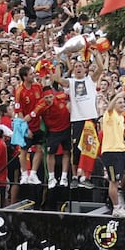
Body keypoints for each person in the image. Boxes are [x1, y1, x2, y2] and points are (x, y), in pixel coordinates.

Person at [53, 56, 103, 189]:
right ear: (73, 70)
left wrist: (96, 53)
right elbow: (57, 79)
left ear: (85, 69)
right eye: (76, 66)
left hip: (90, 119)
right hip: (77, 120)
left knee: (89, 149)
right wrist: (58, 62)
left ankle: (86, 177)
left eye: (80, 66)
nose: (78, 68)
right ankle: (75, 176)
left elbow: (101, 68)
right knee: (76, 150)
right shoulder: (71, 82)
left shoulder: (90, 80)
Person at [101, 91, 125, 218]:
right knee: (113, 182)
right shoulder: (109, 115)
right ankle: (116, 208)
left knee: (119, 179)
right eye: (119, 102)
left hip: (120, 151)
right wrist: (118, 94)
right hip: (111, 152)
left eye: (123, 102)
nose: (122, 104)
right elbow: (109, 107)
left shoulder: (121, 117)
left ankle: (118, 206)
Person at [33, 86, 71, 188]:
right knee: (50, 154)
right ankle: (51, 177)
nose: (49, 100)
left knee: (67, 152)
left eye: (50, 97)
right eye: (46, 98)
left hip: (66, 128)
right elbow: (33, 115)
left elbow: (72, 96)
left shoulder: (61, 96)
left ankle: (64, 177)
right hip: (53, 132)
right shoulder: (40, 105)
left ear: (53, 95)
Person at [15, 65, 43, 185]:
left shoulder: (37, 86)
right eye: (31, 74)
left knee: (39, 149)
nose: (33, 75)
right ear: (24, 77)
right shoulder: (19, 91)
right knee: (24, 150)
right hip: (26, 125)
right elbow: (19, 111)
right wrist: (25, 129)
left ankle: (33, 174)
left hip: (38, 124)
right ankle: (24, 174)